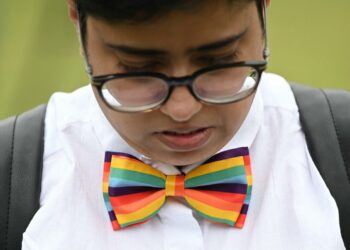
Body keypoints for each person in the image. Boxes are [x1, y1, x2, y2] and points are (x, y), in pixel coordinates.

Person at [20, 0, 345, 249]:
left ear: (263, 6)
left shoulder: (339, 147)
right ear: (78, 17)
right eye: (138, 68)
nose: (182, 109)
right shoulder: (13, 178)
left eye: (220, 59)